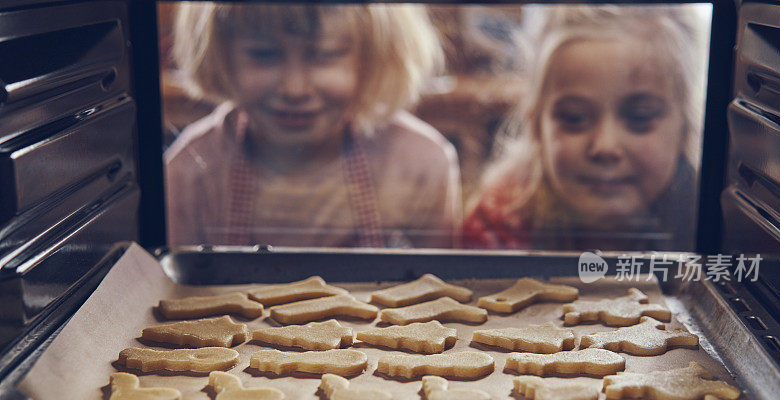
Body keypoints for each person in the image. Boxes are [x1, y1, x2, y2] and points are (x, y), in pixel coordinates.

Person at [165, 3, 461, 248]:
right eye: (264, 55)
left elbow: (437, 293)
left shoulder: (421, 165)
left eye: (324, 55)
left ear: (374, 55)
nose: (295, 89)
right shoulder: (189, 172)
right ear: (220, 55)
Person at [463, 5, 708, 251]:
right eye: (575, 118)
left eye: (639, 117)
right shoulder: (498, 222)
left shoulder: (712, 219)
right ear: (536, 126)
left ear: (687, 128)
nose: (605, 146)